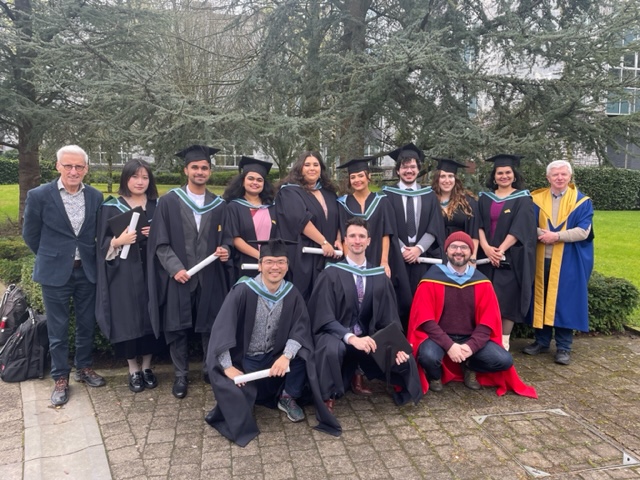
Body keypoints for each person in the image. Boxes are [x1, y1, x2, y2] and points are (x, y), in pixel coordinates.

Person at [205, 239, 340, 447]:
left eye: (280, 262)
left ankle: (287, 397)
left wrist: (286, 356)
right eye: (269, 262)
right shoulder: (242, 290)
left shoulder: (292, 293)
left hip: (275, 358)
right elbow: (222, 330)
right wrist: (228, 367)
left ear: (287, 265)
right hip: (246, 361)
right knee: (237, 404)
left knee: (303, 354)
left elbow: (301, 329)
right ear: (259, 265)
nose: (275, 267)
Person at [309, 217, 423, 414]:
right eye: (352, 236)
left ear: (369, 241)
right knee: (330, 348)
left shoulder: (378, 275)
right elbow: (323, 316)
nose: (357, 240)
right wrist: (350, 337)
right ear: (345, 240)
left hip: (368, 336)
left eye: (362, 236)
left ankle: (387, 384)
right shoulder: (331, 273)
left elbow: (390, 317)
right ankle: (327, 394)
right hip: (339, 335)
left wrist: (397, 345)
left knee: (403, 356)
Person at [22, 145, 106, 406]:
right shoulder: (39, 195)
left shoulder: (95, 196)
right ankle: (60, 377)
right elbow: (30, 234)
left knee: (86, 324)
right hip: (54, 273)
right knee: (57, 329)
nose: (73, 171)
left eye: (79, 166)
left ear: (86, 169)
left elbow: (97, 233)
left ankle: (84, 368)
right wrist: (53, 256)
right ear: (57, 166)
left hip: (87, 271)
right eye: (68, 166)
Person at [408, 231, 537, 398]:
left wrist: (470, 347)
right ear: (446, 251)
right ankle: (435, 375)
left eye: (464, 247)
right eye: (453, 247)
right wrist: (450, 345)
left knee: (504, 360)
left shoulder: (481, 282)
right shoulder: (431, 279)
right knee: (427, 356)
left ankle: (469, 366)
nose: (458, 251)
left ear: (471, 252)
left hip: (471, 337)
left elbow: (487, 323)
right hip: (438, 338)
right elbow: (426, 321)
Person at [147, 145, 231, 399]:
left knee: (210, 325)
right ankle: (181, 375)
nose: (200, 171)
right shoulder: (169, 202)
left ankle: (209, 369)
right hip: (180, 276)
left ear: (210, 171)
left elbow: (226, 238)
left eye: (204, 167)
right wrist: (175, 269)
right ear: (185, 170)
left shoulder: (219, 204)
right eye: (195, 167)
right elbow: (160, 242)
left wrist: (226, 249)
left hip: (209, 275)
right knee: (177, 327)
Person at [96, 159, 164, 392]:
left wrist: (155, 233)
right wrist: (117, 241)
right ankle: (132, 369)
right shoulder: (111, 206)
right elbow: (100, 243)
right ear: (126, 179)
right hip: (124, 273)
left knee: (150, 316)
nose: (140, 181)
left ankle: (146, 366)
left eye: (145, 177)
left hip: (153, 271)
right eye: (135, 176)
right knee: (128, 318)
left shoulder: (158, 205)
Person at [523, 160, 594, 365]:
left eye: (563, 174)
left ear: (570, 176)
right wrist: (540, 234)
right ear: (548, 178)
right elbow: (526, 224)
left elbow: (584, 231)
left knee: (565, 301)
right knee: (541, 298)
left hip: (567, 259)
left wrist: (557, 236)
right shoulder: (535, 199)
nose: (560, 178)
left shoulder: (581, 201)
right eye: (555, 175)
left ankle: (564, 347)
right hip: (540, 258)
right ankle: (541, 342)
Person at [477, 154, 536, 352]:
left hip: (510, 258)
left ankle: (503, 343)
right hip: (485, 257)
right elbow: (478, 224)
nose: (504, 176)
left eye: (507, 172)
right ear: (494, 176)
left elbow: (521, 228)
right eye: (499, 173)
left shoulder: (523, 199)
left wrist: (501, 250)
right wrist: (485, 247)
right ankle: (484, 340)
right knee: (484, 299)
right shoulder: (484, 198)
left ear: (514, 175)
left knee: (507, 299)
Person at [382, 143, 444, 328]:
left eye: (412, 167)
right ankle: (398, 342)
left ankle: (420, 339)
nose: (409, 171)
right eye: (404, 167)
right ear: (398, 170)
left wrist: (418, 249)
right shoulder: (387, 195)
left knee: (422, 300)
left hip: (422, 259)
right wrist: (402, 249)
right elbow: (386, 227)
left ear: (418, 169)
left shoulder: (429, 196)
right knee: (397, 300)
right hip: (396, 257)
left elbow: (435, 226)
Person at [275, 151, 340, 302]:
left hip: (328, 255)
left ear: (321, 169)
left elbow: (339, 218)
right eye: (307, 165)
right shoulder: (290, 192)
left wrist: (338, 238)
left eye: (316, 165)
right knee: (304, 299)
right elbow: (300, 220)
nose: (312, 168)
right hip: (304, 256)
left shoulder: (329, 193)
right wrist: (323, 242)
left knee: (327, 299)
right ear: (299, 168)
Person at [336, 157, 393, 276]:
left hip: (377, 258)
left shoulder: (382, 201)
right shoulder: (343, 203)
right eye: (353, 177)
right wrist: (349, 264)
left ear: (369, 176)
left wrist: (384, 261)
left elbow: (386, 234)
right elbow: (343, 237)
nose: (357, 180)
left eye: (361, 175)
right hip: (352, 259)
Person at [222, 156, 277, 281]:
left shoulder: (272, 207)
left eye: (259, 180)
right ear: (243, 181)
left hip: (271, 266)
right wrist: (261, 257)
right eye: (250, 178)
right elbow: (235, 238)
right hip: (244, 264)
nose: (255, 183)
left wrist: (269, 260)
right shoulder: (234, 207)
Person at [430, 157, 480, 257]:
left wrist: (472, 257)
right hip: (433, 256)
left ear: (455, 179)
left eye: (450, 176)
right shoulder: (429, 200)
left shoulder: (467, 202)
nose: (447, 180)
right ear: (437, 179)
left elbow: (474, 232)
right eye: (443, 176)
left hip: (460, 255)